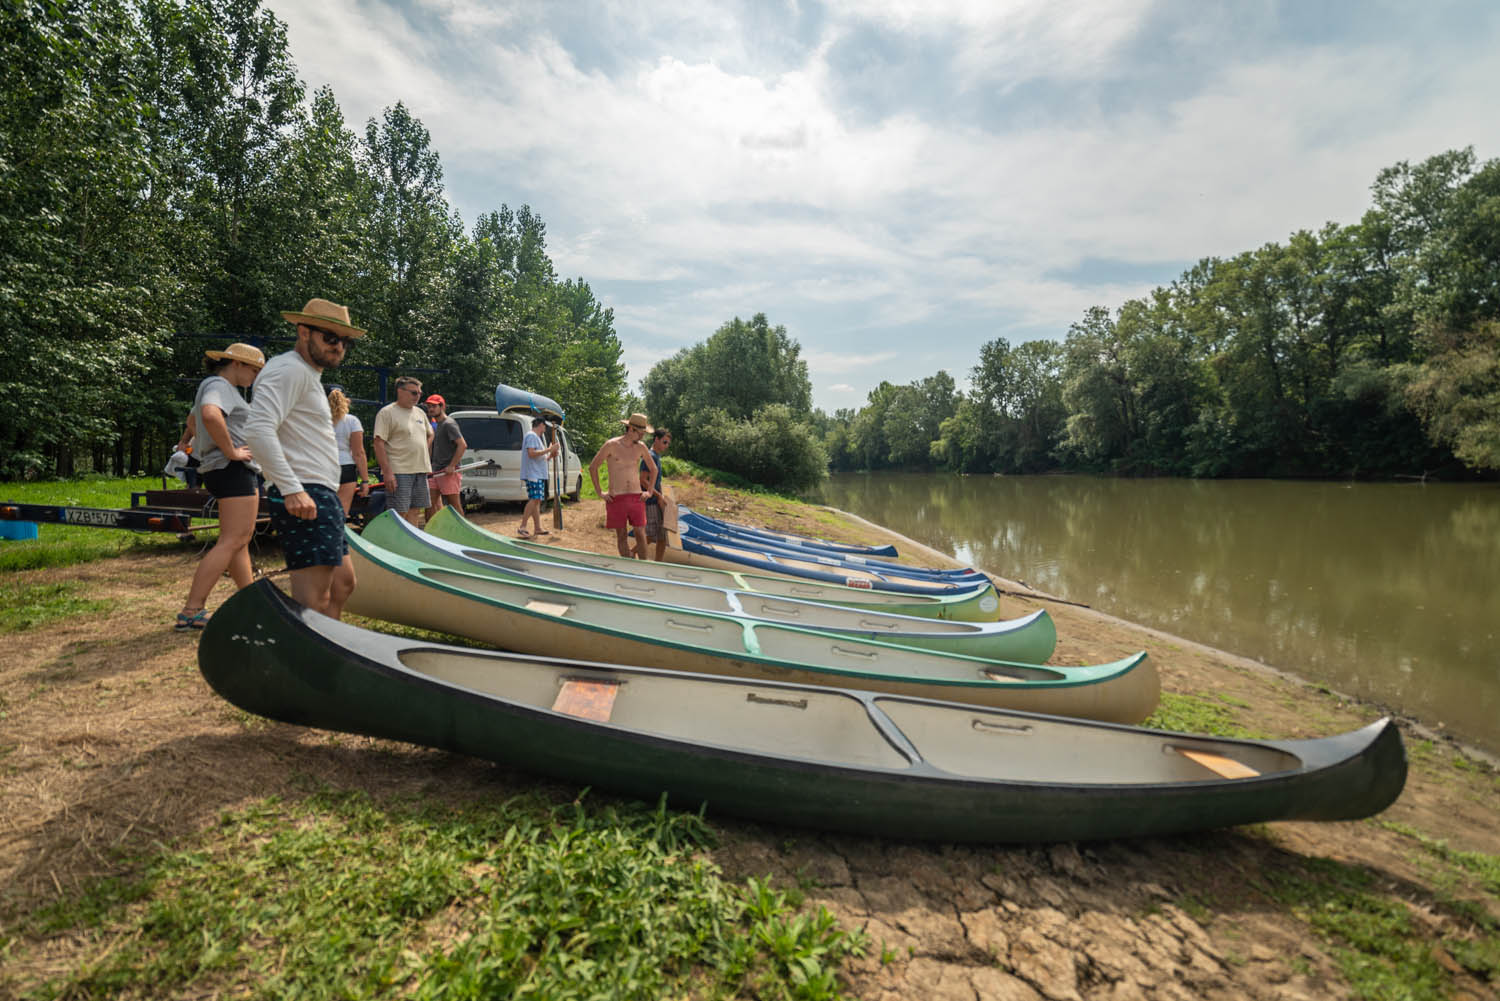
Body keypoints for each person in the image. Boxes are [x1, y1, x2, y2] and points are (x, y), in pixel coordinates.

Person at [243, 297, 363, 619]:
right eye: (330, 337)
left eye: (344, 341)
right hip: (306, 491)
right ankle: (313, 663)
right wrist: (292, 488)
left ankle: (328, 651)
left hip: (320, 492)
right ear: (303, 332)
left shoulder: (307, 374)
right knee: (315, 601)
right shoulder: (288, 370)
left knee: (342, 586)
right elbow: (257, 430)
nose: (338, 347)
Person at [174, 343, 266, 629]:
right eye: (254, 369)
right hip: (232, 468)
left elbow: (193, 419)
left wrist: (192, 443)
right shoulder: (219, 385)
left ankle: (251, 600)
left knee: (238, 540)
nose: (256, 375)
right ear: (236, 364)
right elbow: (211, 416)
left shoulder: (214, 386)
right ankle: (192, 610)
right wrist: (231, 451)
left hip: (224, 469)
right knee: (232, 540)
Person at [587, 412, 658, 558]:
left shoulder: (641, 447)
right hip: (616, 498)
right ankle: (628, 565)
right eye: (641, 433)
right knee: (622, 535)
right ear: (631, 429)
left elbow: (654, 469)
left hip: (636, 497)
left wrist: (649, 491)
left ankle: (644, 568)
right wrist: (600, 492)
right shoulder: (611, 445)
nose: (643, 436)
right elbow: (593, 467)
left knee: (640, 532)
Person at [372, 376, 432, 526]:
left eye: (419, 393)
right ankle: (393, 546)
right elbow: (378, 443)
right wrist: (387, 472)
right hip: (399, 471)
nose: (417, 396)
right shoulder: (387, 413)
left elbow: (430, 434)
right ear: (400, 391)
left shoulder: (420, 413)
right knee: (399, 513)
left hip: (420, 469)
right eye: (413, 393)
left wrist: (421, 450)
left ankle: (410, 547)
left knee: (415, 511)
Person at [424, 393, 467, 518]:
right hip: (435, 470)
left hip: (448, 473)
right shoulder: (436, 425)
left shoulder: (449, 424)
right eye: (429, 406)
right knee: (429, 504)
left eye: (434, 406)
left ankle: (463, 533)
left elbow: (462, 445)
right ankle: (429, 534)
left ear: (442, 406)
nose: (430, 409)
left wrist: (452, 466)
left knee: (454, 506)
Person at [328, 388, 370, 515]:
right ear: (346, 401)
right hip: (345, 466)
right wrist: (365, 480)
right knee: (341, 512)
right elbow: (359, 453)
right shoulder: (352, 421)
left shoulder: (315, 420)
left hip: (322, 466)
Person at [518, 415, 559, 537]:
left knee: (537, 501)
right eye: (544, 427)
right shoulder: (531, 436)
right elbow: (531, 453)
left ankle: (537, 528)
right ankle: (523, 526)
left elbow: (539, 458)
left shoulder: (535, 437)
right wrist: (549, 449)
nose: (545, 430)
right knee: (535, 499)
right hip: (533, 474)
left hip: (537, 473)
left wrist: (550, 455)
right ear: (541, 425)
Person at [641, 427, 672, 561]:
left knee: (662, 537)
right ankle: (631, 553)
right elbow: (642, 480)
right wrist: (659, 496)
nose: (666, 446)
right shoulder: (650, 456)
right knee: (650, 536)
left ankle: (658, 564)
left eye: (668, 444)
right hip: (651, 502)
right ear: (656, 440)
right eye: (664, 442)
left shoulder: (656, 457)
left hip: (657, 501)